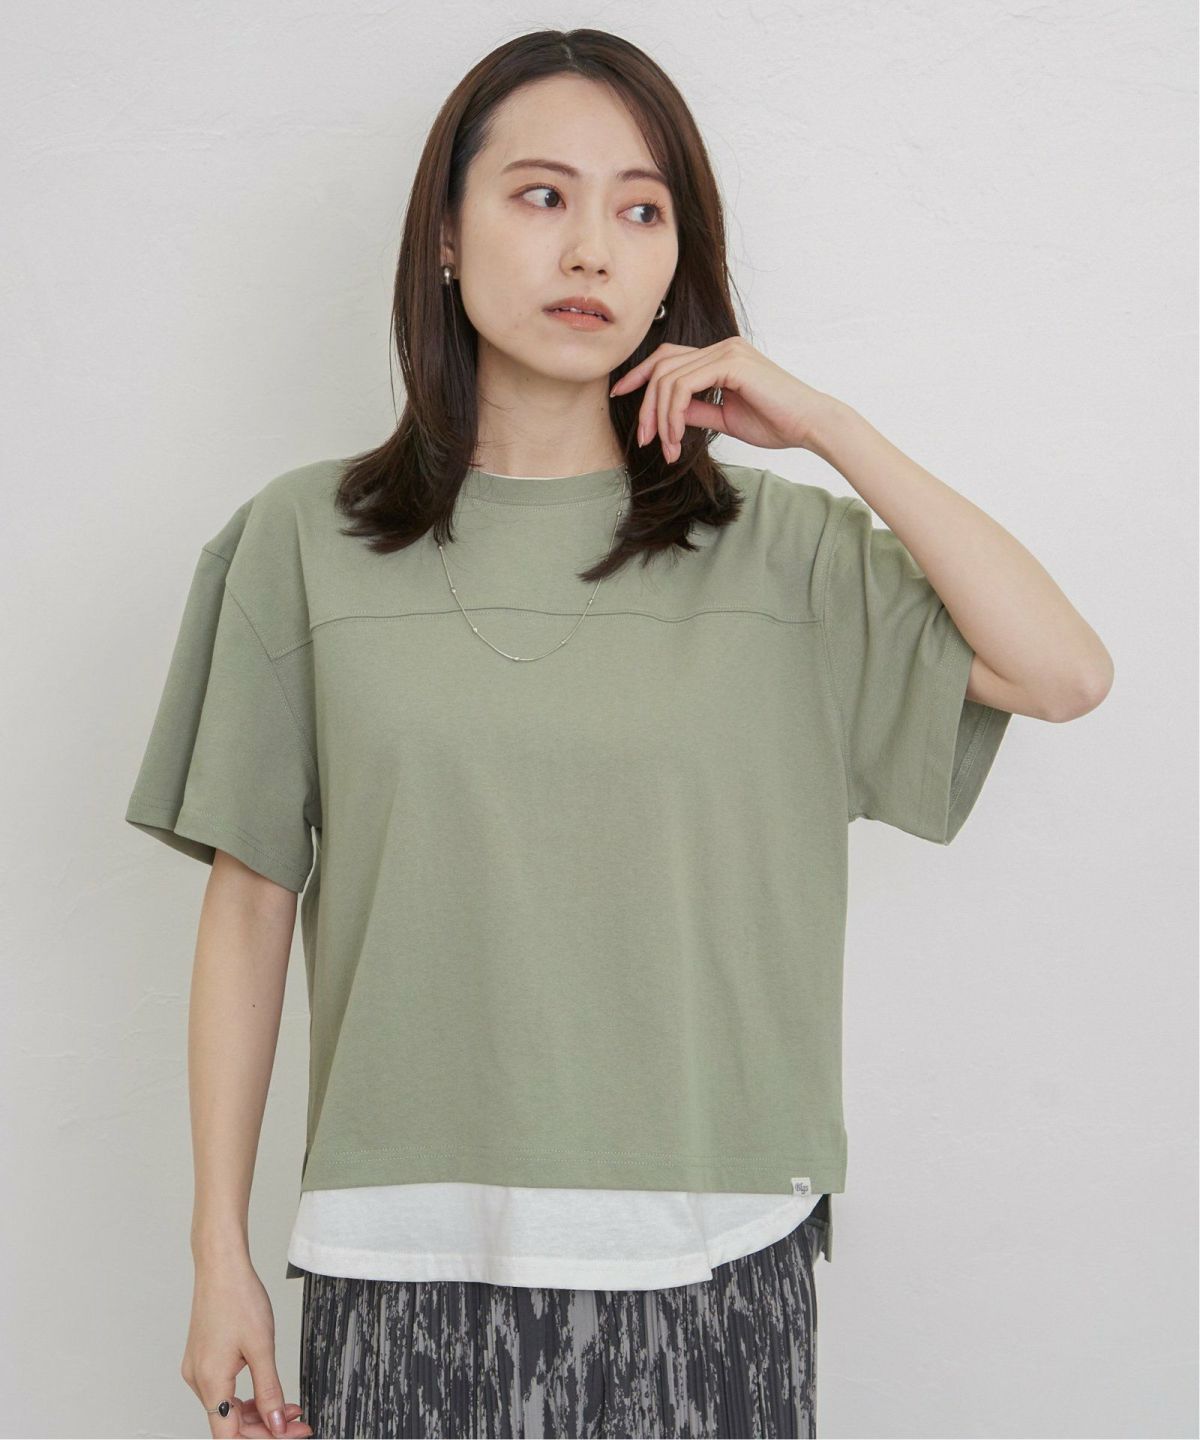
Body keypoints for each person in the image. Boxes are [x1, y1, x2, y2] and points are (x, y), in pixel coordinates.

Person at [124, 27, 1114, 1440]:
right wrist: (217, 1254)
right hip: (402, 1265)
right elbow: (248, 899)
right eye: (542, 195)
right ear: (446, 236)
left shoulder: (781, 552)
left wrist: (828, 426)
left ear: (675, 260)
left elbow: (1063, 672)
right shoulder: (303, 543)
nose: (592, 248)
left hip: (714, 1259)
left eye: (641, 211)